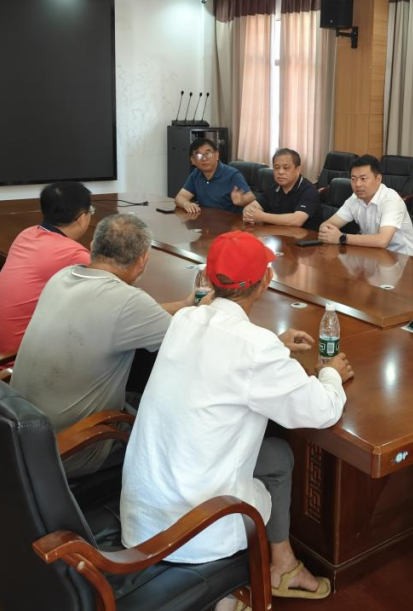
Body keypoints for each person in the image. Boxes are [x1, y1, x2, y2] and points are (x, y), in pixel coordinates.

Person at [121, 231, 353, 605]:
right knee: (278, 458)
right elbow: (322, 410)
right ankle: (232, 591)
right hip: (195, 528)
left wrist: (275, 345)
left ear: (211, 279)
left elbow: (224, 354)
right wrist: (330, 373)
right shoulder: (255, 348)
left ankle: (283, 565)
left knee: (275, 455)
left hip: (143, 512)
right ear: (266, 281)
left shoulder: (185, 319)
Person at [10, 212, 197, 478]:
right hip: (73, 450)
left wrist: (183, 305)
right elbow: (189, 344)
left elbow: (127, 316)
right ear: (143, 259)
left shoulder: (61, 277)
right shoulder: (129, 302)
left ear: (91, 248)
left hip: (21, 434)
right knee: (171, 420)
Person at [0, 181, 94, 364]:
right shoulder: (73, 254)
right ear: (81, 218)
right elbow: (114, 286)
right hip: (15, 365)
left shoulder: (26, 234)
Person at [317, 155, 413, 256]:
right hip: (372, 254)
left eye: (363, 178)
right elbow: (327, 225)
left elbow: (382, 241)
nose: (357, 184)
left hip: (402, 259)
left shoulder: (391, 200)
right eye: (353, 179)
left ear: (378, 179)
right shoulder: (354, 199)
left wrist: (341, 237)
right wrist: (326, 231)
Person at [242, 148, 323, 231]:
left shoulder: (309, 191)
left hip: (305, 237)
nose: (280, 172)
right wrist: (248, 213)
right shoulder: (274, 187)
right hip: (278, 234)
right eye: (276, 168)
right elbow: (252, 207)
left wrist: (262, 217)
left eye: (286, 168)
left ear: (298, 169)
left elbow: (297, 220)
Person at [174, 138, 255, 215]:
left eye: (208, 154)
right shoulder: (196, 174)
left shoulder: (232, 175)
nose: (204, 159)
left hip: (230, 221)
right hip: (205, 221)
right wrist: (186, 204)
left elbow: (251, 196)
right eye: (198, 155)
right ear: (193, 160)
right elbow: (180, 197)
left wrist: (242, 200)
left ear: (216, 155)